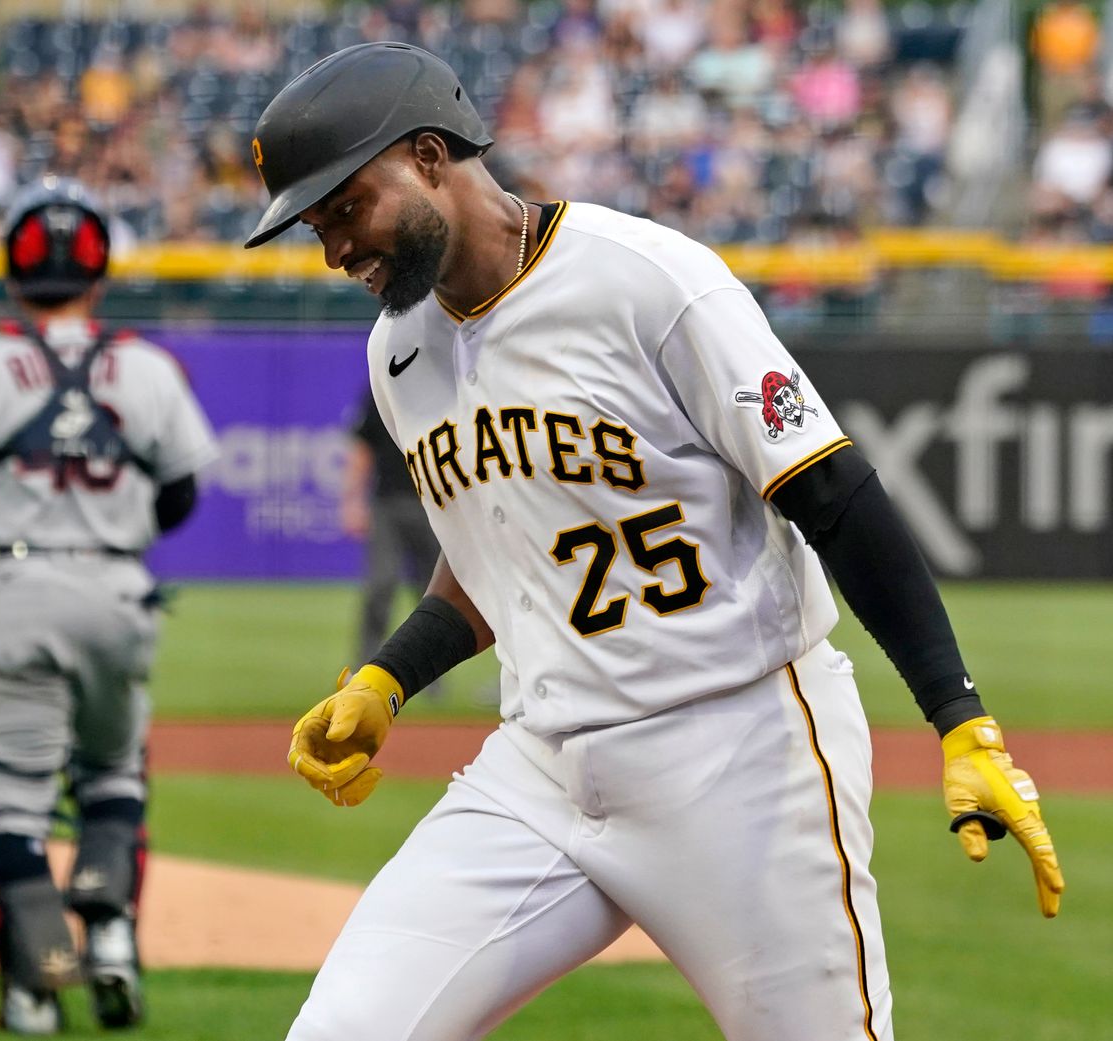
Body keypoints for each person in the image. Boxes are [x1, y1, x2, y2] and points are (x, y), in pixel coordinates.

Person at [245, 43, 1064, 1040]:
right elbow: (498, 552)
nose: (333, 248)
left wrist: (959, 718)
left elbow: (833, 491)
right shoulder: (399, 350)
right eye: (316, 225)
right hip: (544, 770)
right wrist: (387, 678)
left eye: (342, 207)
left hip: (741, 752)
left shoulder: (646, 278)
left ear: (426, 156)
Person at [0, 177, 216, 1034]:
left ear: (10, 270)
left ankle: (33, 991)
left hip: (17, 592)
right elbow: (180, 496)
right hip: (117, 588)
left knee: (15, 798)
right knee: (112, 771)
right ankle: (109, 936)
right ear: (100, 271)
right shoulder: (146, 363)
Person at [341, 387, 442, 668]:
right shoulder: (381, 387)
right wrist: (352, 500)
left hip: (434, 505)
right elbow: (363, 447)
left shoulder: (446, 384)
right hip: (386, 503)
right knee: (380, 586)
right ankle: (365, 667)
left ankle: (430, 671)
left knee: (434, 593)